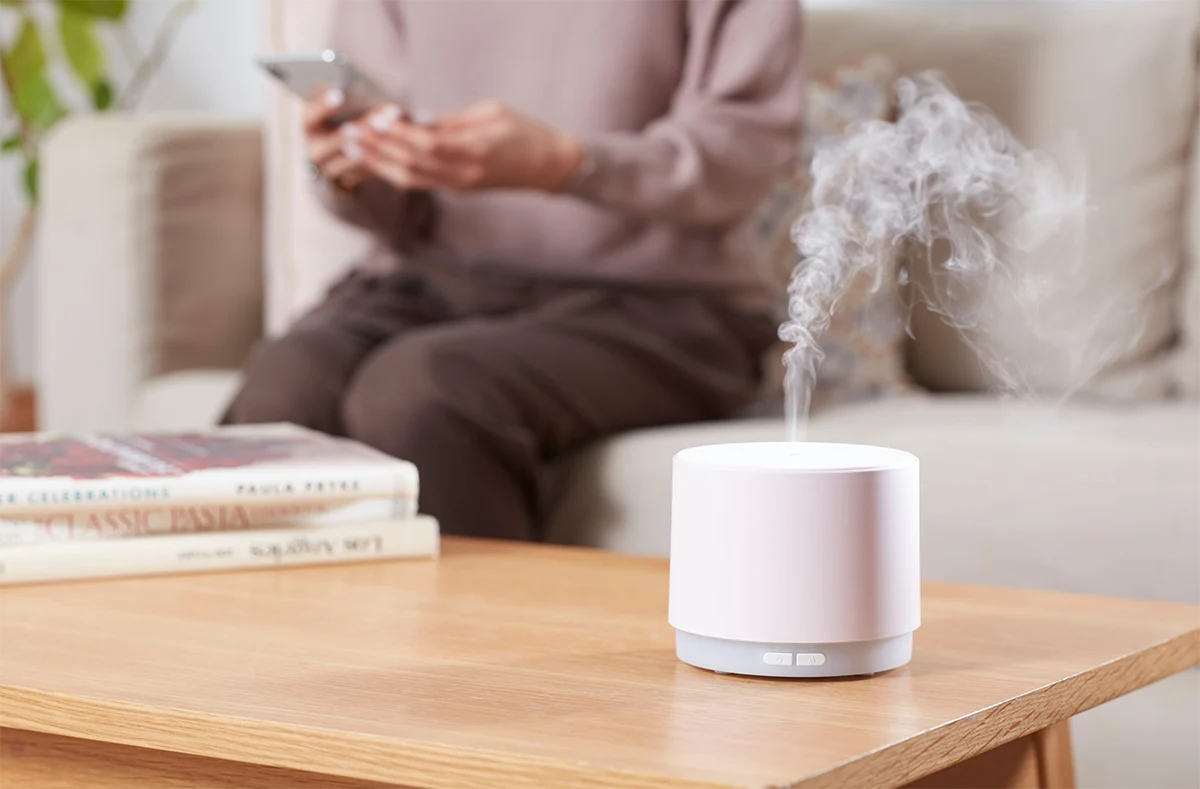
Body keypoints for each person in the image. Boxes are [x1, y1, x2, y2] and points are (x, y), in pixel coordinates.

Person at [223, 0, 806, 541]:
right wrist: (355, 168)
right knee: (287, 383)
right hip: (433, 278)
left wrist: (564, 164)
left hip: (663, 302)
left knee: (423, 389)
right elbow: (390, 206)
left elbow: (743, 157)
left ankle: (472, 651)